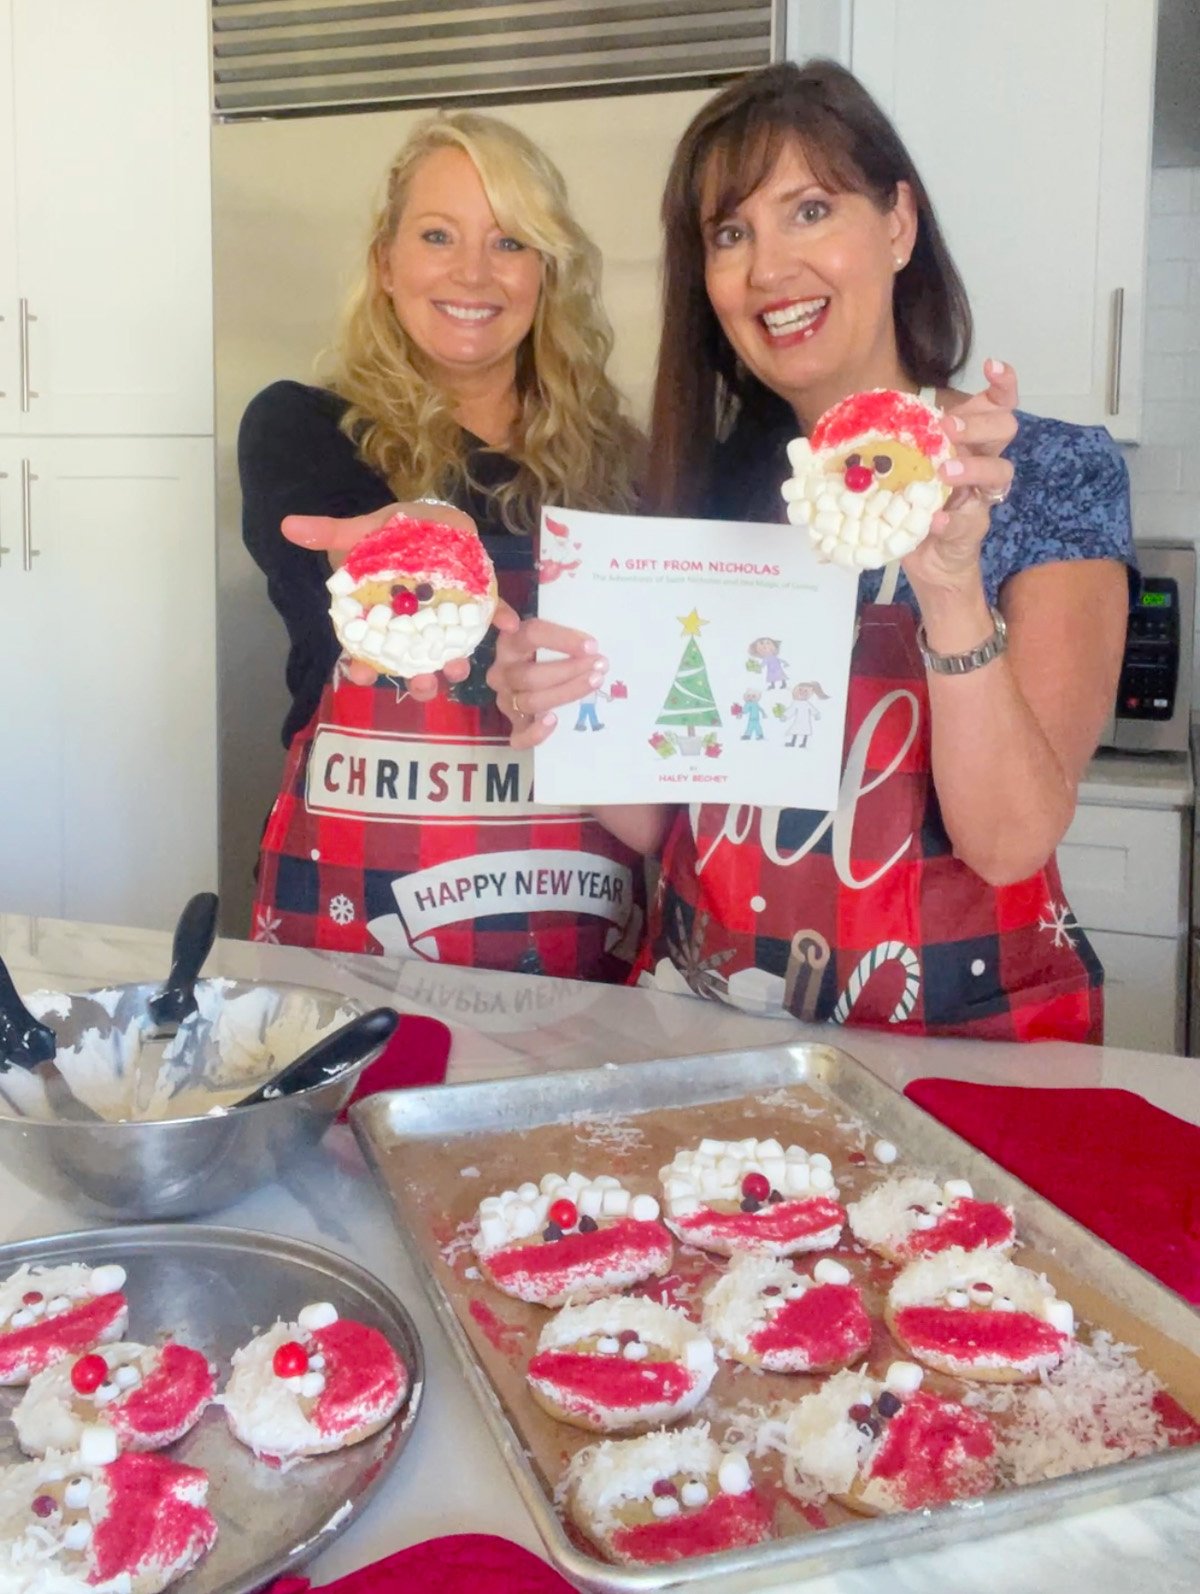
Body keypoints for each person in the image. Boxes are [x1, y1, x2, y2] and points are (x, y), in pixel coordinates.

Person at [486, 60, 1133, 1042]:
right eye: (731, 233)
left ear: (899, 224)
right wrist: (557, 714)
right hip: (714, 1035)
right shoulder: (700, 490)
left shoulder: (1041, 473)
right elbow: (669, 824)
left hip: (961, 1053)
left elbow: (1009, 844)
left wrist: (951, 585)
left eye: (812, 210)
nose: (770, 267)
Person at [241, 110, 646, 977]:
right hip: (362, 903)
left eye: (509, 243)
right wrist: (406, 551)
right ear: (386, 263)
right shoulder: (302, 429)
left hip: (580, 906)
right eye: (437, 236)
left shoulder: (624, 464)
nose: (473, 273)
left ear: (548, 271)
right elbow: (324, 548)